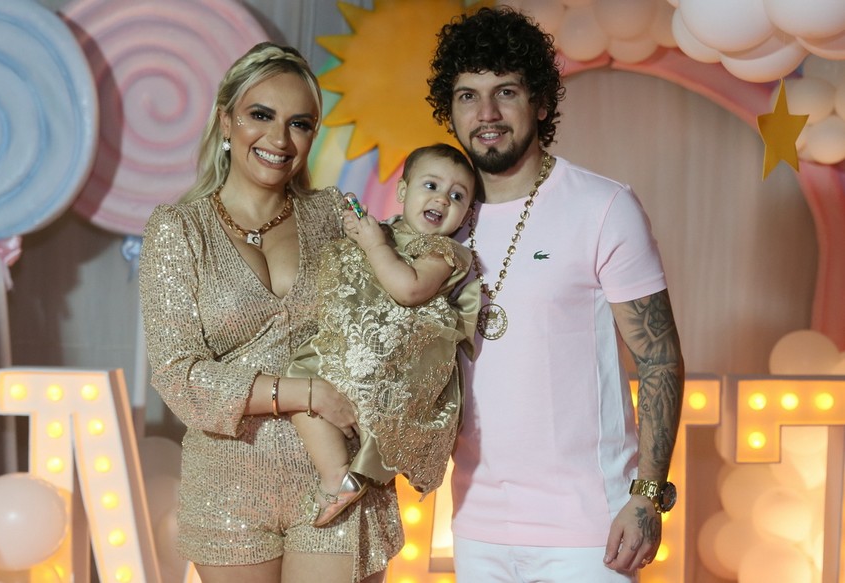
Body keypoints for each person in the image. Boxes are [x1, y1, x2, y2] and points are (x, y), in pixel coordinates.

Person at [426, 7, 685, 582]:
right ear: (450, 109)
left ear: (541, 102)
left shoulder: (603, 207)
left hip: (589, 529)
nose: (486, 114)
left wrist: (647, 495)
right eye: (468, 96)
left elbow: (659, 357)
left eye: (506, 92)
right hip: (476, 524)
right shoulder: (438, 218)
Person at [138, 42, 403, 583]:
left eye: (299, 124)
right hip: (228, 486)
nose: (280, 140)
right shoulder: (178, 229)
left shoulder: (336, 215)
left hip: (340, 478)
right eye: (261, 115)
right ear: (226, 120)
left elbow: (392, 311)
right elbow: (177, 373)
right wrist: (305, 393)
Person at [285, 143, 480, 527]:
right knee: (300, 379)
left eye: (457, 196)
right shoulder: (385, 230)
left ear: (467, 215)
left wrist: (373, 244)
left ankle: (340, 476)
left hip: (398, 360)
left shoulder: (442, 252)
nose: (443, 198)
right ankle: (337, 471)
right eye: (431, 185)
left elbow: (408, 288)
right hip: (355, 342)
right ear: (403, 191)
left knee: (326, 391)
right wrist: (361, 236)